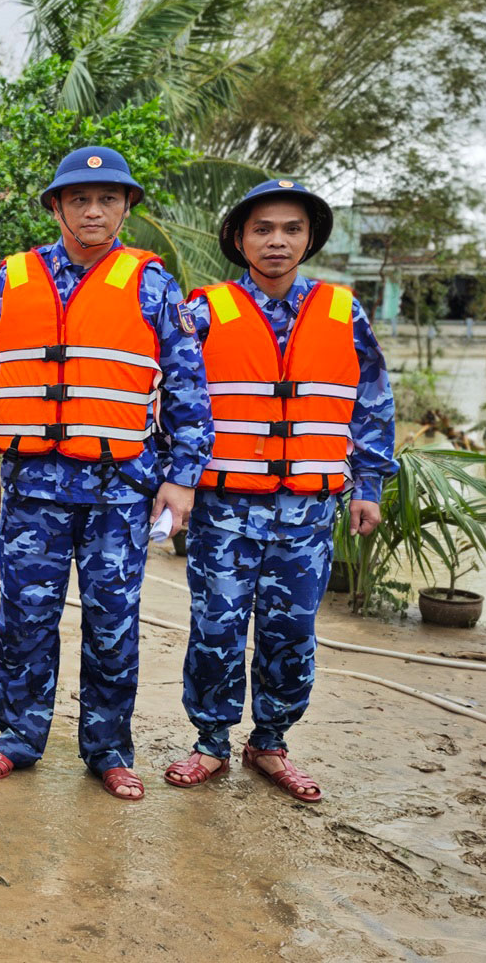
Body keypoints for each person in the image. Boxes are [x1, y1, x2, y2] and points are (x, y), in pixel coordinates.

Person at [0, 146, 212, 801]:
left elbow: (188, 390)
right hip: (34, 488)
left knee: (112, 620)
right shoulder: (12, 280)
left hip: (121, 489)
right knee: (25, 617)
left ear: (126, 206)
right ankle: (17, 735)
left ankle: (108, 747)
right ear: (57, 207)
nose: (93, 210)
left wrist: (181, 479)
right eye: (79, 199)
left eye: (107, 199)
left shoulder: (154, 284)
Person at [163, 180, 394, 803]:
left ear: (310, 239)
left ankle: (271, 742)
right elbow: (176, 401)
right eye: (262, 229)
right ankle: (210, 741)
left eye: (291, 229)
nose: (277, 241)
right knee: (217, 625)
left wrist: (369, 483)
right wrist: (175, 480)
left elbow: (371, 402)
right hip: (225, 507)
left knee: (291, 630)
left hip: (309, 510)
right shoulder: (204, 310)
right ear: (239, 240)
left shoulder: (345, 311)